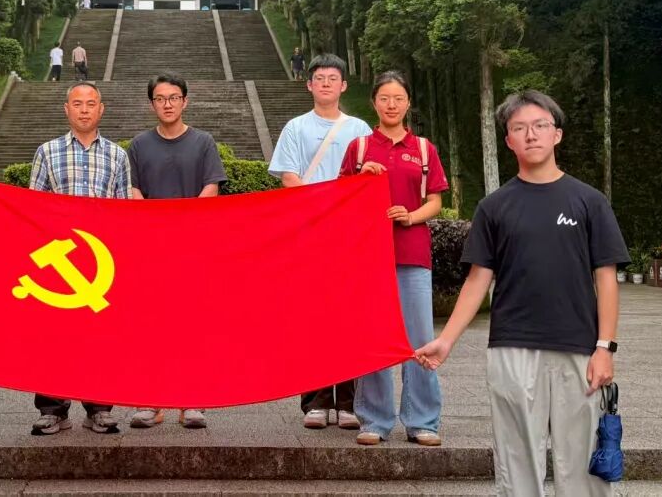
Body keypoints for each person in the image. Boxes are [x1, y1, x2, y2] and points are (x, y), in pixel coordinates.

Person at [415, 91, 629, 497]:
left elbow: (606, 278)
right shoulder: (494, 206)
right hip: (511, 348)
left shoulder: (589, 202)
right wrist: (446, 340)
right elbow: (478, 279)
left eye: (540, 126)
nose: (531, 135)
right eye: (519, 128)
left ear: (557, 134)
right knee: (516, 463)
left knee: (582, 464)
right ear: (509, 140)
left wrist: (605, 348)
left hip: (579, 348)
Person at [339, 71, 448, 446]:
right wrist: (360, 177)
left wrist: (411, 216)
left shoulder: (423, 149)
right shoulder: (359, 148)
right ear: (374, 102)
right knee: (374, 335)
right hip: (369, 255)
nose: (391, 104)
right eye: (384, 98)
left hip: (412, 252)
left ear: (408, 103)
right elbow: (342, 197)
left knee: (419, 338)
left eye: (398, 98)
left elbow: (435, 200)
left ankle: (423, 420)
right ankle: (375, 419)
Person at [267, 52, 372, 429]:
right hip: (309, 231)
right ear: (308, 84)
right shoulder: (295, 128)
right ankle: (315, 400)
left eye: (333, 78)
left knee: (348, 316)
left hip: (348, 233)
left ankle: (348, 402)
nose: (326, 84)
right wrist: (321, 207)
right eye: (320, 78)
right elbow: (289, 177)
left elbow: (368, 177)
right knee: (310, 316)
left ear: (344, 85)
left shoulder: (359, 128)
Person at [126, 73, 228, 431]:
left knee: (192, 325)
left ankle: (192, 400)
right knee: (149, 327)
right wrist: (156, 226)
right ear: (151, 104)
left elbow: (211, 187)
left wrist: (182, 225)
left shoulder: (203, 142)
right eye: (160, 98)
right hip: (150, 250)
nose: (167, 104)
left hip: (193, 249)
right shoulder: (139, 145)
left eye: (173, 97)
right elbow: (133, 190)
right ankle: (150, 401)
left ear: (185, 101)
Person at [28, 81, 131, 435]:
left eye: (90, 103)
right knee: (54, 337)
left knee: (101, 337)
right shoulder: (47, 152)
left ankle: (99, 408)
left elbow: (124, 211)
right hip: (60, 259)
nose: (84, 110)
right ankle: (53, 409)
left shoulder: (117, 155)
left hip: (102, 259)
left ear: (101, 109)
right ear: (66, 109)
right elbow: (32, 206)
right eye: (77, 103)